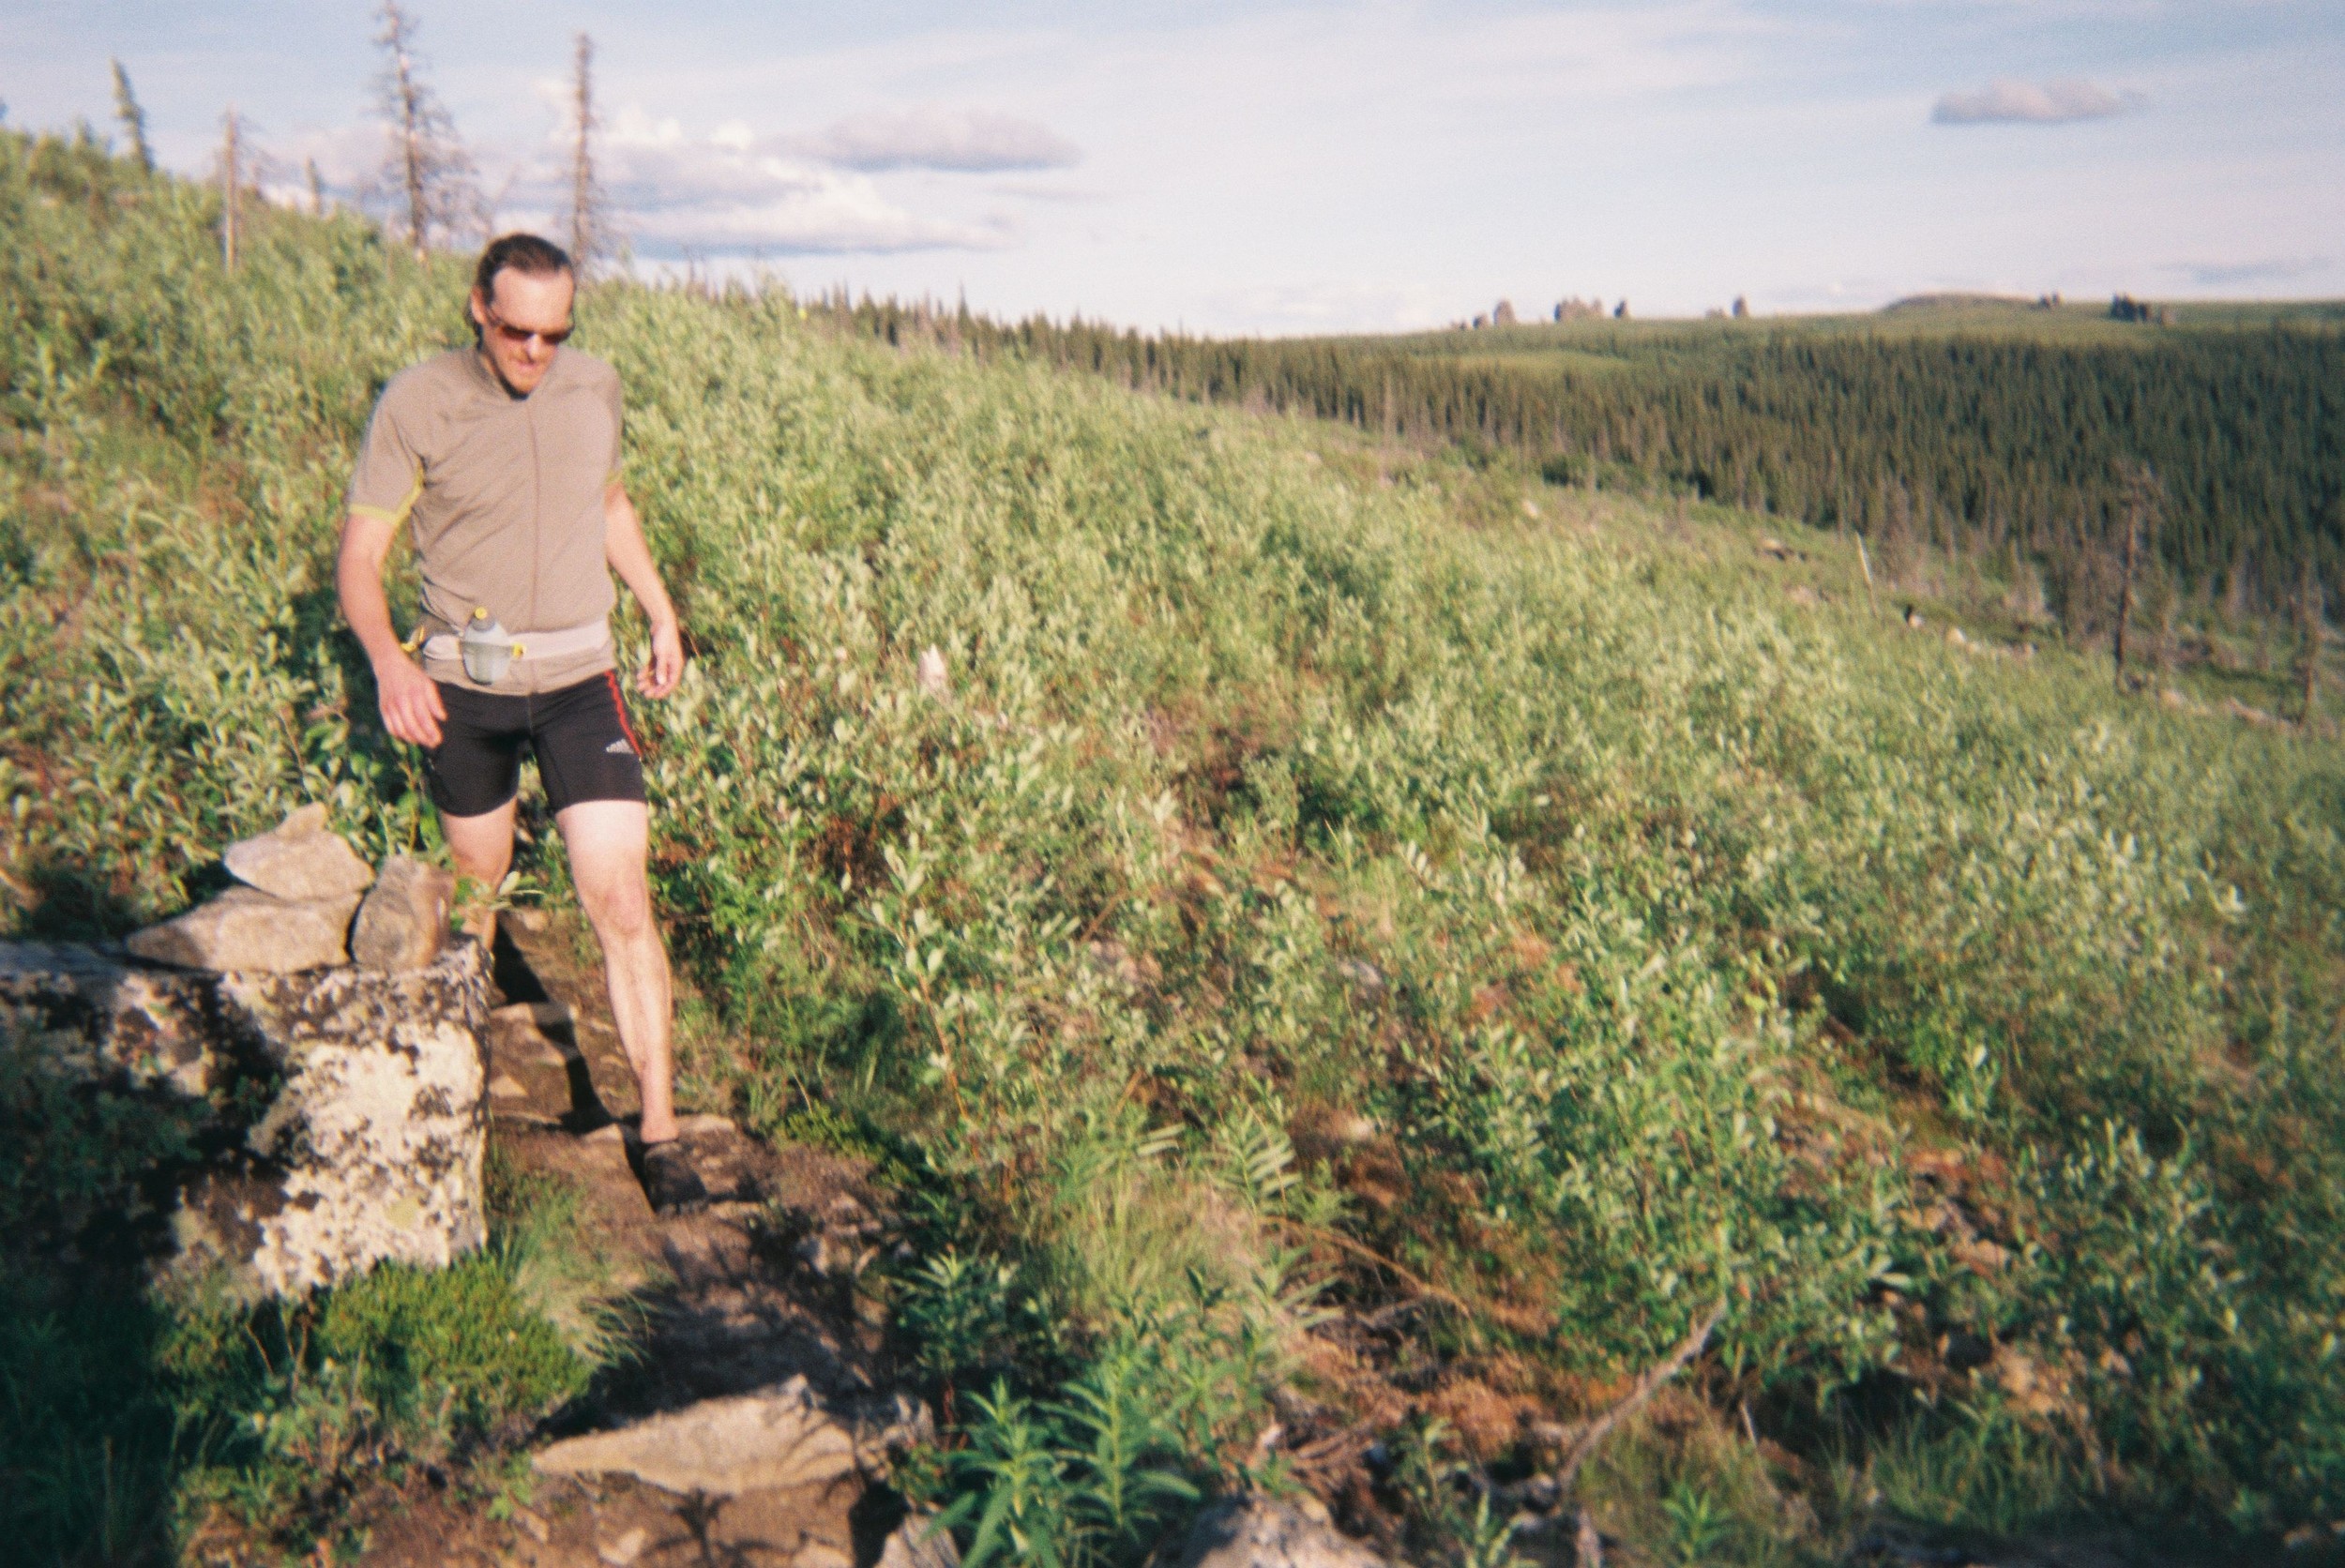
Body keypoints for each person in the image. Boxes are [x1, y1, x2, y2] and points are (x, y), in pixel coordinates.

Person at [336, 233, 704, 1211]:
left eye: (555, 333)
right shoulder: (419, 402)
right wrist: (387, 665)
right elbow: (359, 559)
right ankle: (467, 1096)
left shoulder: (595, 387)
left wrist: (662, 612)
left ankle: (660, 1130)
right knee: (478, 890)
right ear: (477, 310)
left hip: (582, 676)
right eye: (517, 332)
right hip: (468, 690)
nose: (537, 352)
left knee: (618, 894)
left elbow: (609, 503)